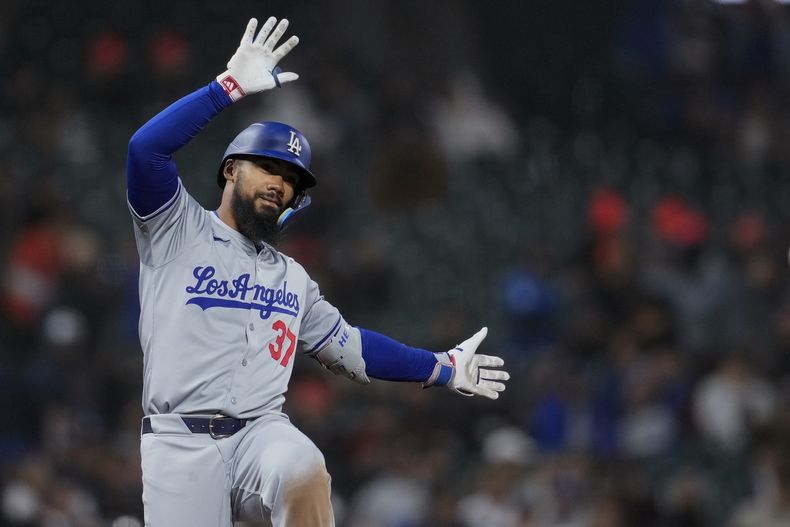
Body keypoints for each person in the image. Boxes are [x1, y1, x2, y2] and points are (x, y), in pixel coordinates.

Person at [126, 16, 509, 527]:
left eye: (290, 180)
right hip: (179, 444)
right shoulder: (176, 228)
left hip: (260, 434)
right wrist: (229, 87)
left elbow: (351, 346)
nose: (279, 184)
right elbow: (145, 150)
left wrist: (441, 367)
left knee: (302, 466)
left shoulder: (293, 278)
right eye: (268, 167)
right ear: (230, 169)